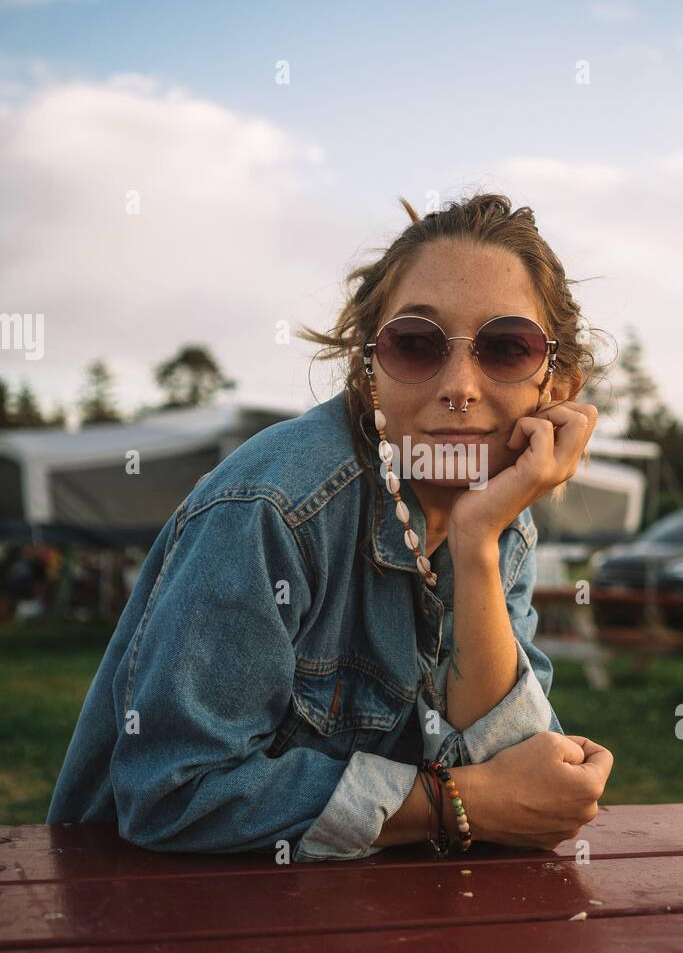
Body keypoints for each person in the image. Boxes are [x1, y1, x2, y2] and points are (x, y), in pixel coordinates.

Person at [47, 192, 614, 858]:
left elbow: (522, 793)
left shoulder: (497, 520)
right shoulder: (272, 509)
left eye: (506, 347)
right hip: (144, 923)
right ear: (366, 369)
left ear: (557, 386)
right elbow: (172, 792)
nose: (459, 384)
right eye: (414, 344)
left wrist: (478, 543)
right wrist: (461, 802)